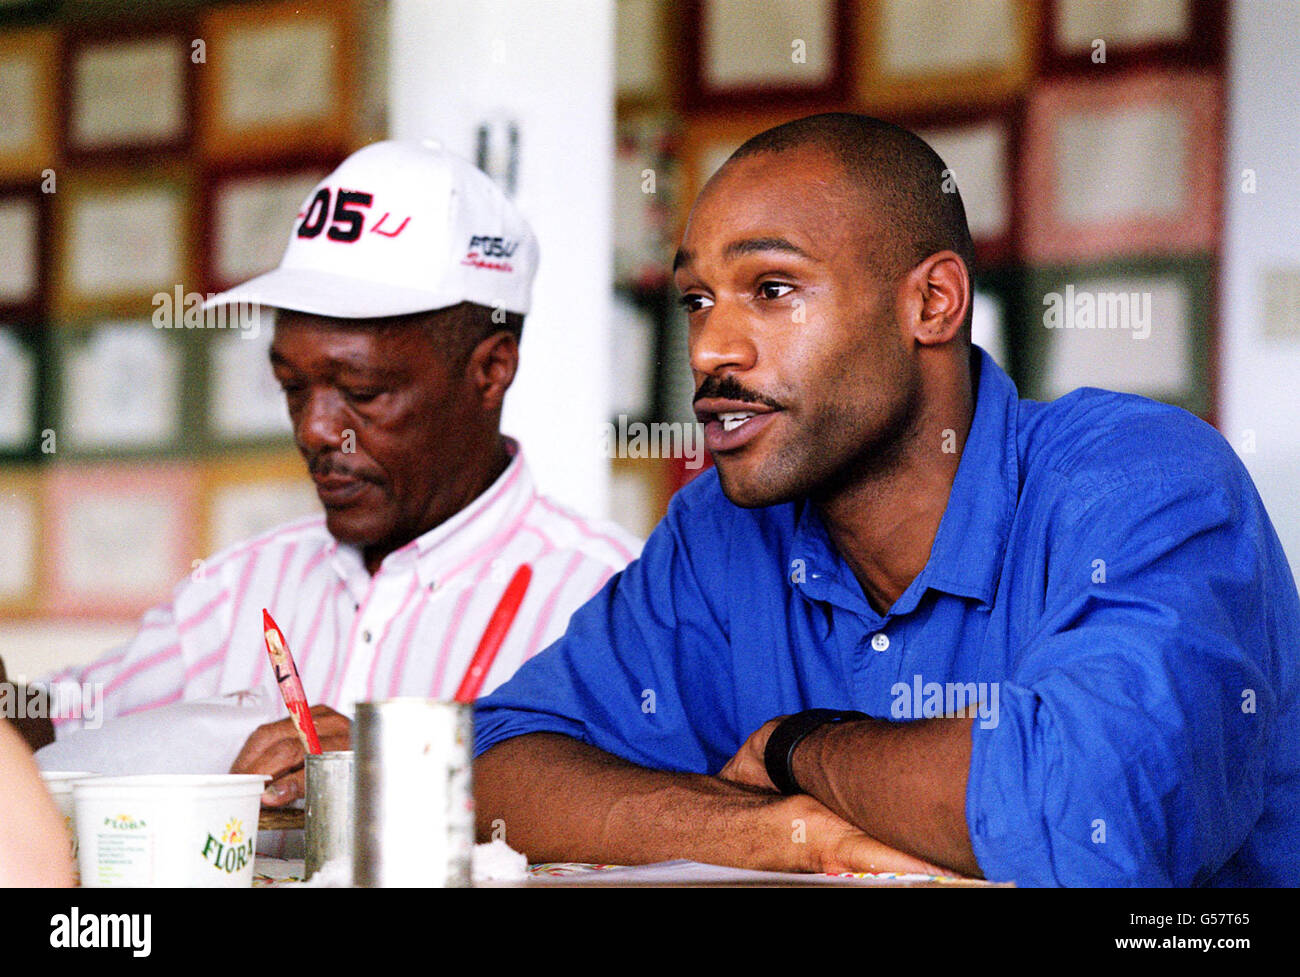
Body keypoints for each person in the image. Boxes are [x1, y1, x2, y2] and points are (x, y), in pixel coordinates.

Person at [472, 113, 1300, 886]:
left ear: (931, 303)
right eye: (697, 301)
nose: (712, 348)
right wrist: (781, 833)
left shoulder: (1142, 479)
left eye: (773, 289)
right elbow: (496, 771)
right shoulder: (719, 533)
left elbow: (1078, 809)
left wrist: (800, 747)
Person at [20, 140, 639, 806]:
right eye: (291, 385)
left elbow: (668, 822)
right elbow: (57, 719)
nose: (315, 429)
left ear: (490, 370)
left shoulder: (613, 599)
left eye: (363, 392)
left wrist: (397, 771)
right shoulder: (240, 588)